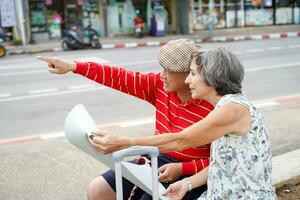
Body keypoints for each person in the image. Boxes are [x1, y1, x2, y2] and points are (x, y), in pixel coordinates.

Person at [89, 47, 278, 200]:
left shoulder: (233, 110)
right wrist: (186, 184)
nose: (188, 80)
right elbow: (222, 162)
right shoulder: (226, 107)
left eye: (193, 74)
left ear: (211, 78)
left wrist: (123, 142)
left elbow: (181, 140)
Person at [37, 39, 214, 200]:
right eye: (163, 68)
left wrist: (184, 169)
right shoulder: (160, 86)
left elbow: (223, 158)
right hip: (156, 158)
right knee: (98, 189)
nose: (162, 75)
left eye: (169, 70)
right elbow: (121, 78)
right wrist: (74, 66)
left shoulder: (214, 103)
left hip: (193, 172)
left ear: (190, 73)